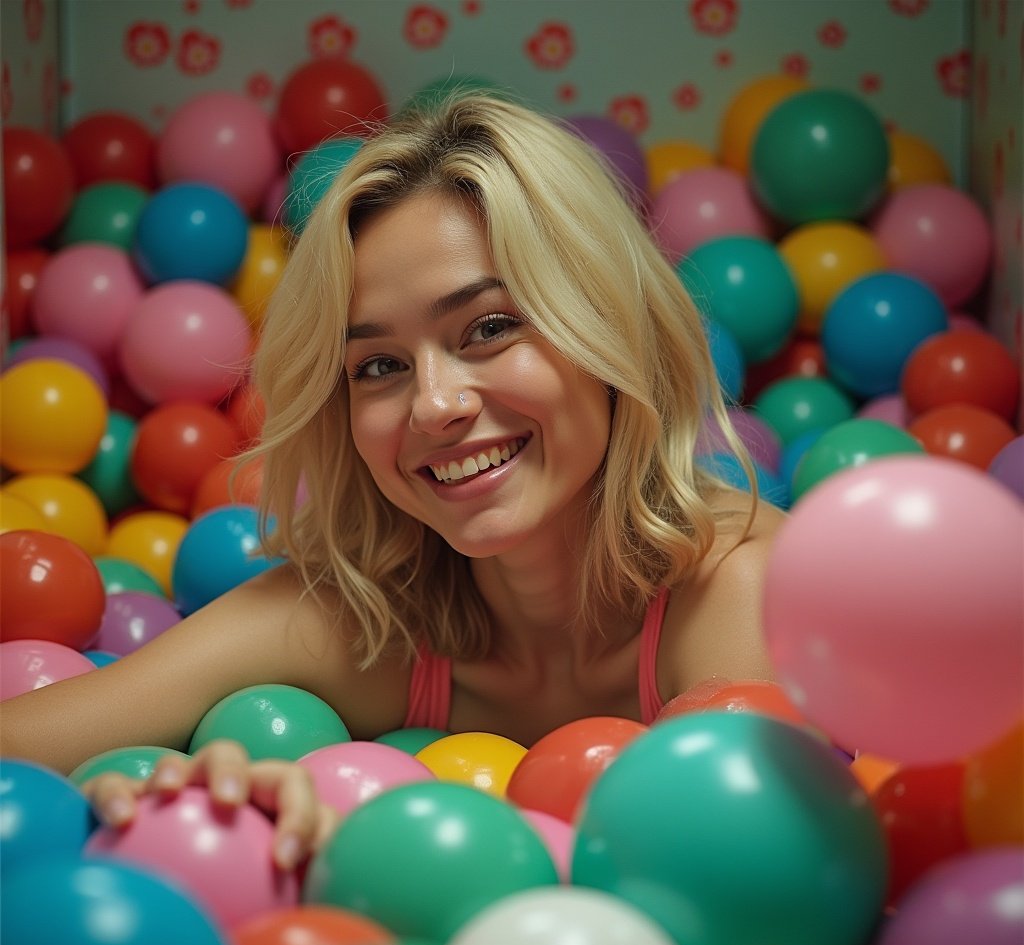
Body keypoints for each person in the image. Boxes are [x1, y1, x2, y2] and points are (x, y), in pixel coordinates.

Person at [0, 92, 785, 870]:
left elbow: (735, 897)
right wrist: (194, 814)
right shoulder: (369, 622)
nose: (435, 405)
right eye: (378, 366)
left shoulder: (741, 594)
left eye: (488, 327)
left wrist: (382, 854)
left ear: (608, 327)